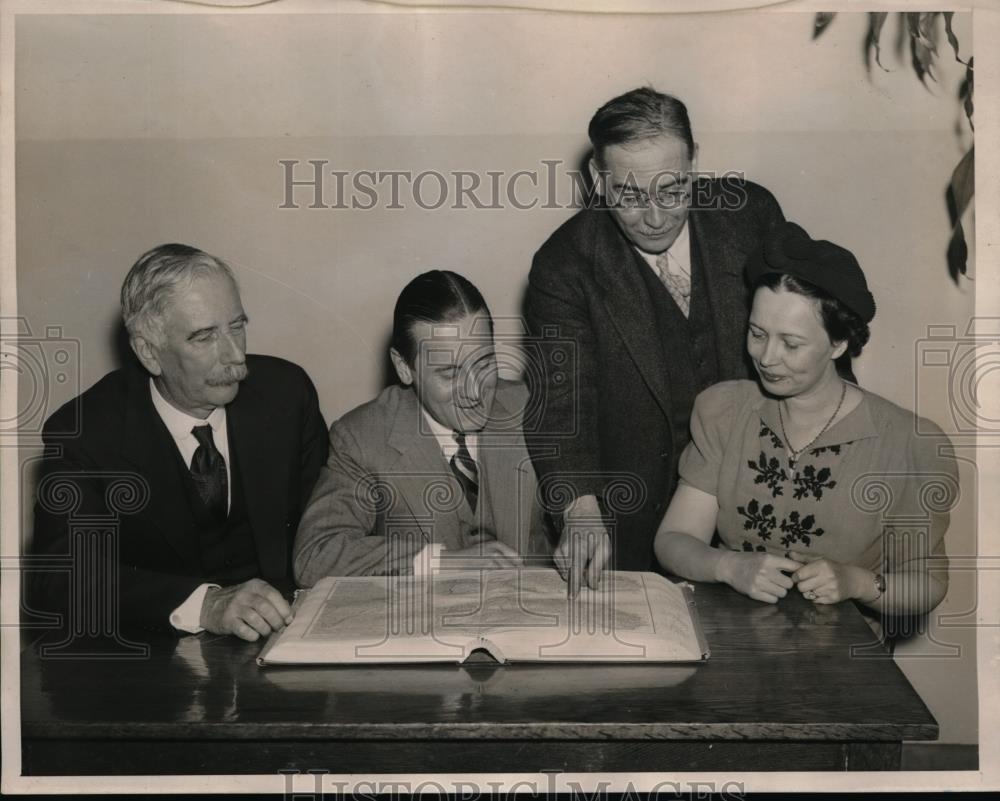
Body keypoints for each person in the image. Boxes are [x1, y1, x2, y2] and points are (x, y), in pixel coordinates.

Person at [524, 87, 785, 594]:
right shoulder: (563, 265)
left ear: (693, 165)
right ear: (599, 181)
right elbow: (562, 404)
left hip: (761, 500)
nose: (656, 216)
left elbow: (812, 336)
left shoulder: (750, 215)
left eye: (672, 190)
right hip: (634, 521)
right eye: (630, 195)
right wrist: (579, 510)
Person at [653, 222, 957, 615]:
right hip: (731, 639)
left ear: (839, 343)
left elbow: (928, 584)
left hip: (841, 657)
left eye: (791, 343)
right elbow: (674, 539)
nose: (766, 357)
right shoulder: (725, 411)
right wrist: (727, 565)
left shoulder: (906, 443)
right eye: (757, 333)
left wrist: (857, 582)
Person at [31, 244, 329, 641]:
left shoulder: (288, 395)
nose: (236, 355)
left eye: (237, 326)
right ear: (149, 353)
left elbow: (327, 536)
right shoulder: (85, 432)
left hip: (282, 643)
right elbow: (58, 581)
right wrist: (205, 605)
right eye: (204, 337)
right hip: (152, 665)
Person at [294, 270, 552, 584]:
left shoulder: (533, 409)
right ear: (405, 368)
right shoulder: (361, 438)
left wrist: (582, 521)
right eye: (449, 373)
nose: (473, 391)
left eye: (484, 363)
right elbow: (314, 556)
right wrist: (438, 562)